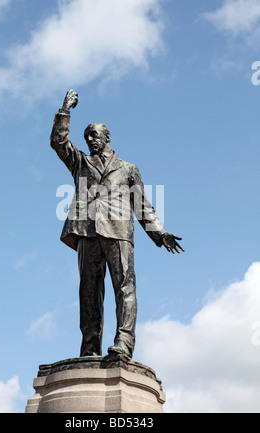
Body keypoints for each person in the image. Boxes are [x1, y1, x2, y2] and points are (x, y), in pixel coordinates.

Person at [50, 90, 184, 359]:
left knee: (124, 287)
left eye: (94, 135)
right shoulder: (80, 162)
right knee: (88, 292)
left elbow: (141, 204)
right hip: (87, 231)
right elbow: (59, 142)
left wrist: (160, 233)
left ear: (107, 137)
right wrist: (65, 110)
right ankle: (89, 348)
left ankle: (123, 343)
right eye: (86, 136)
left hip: (119, 232)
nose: (89, 140)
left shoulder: (128, 168)